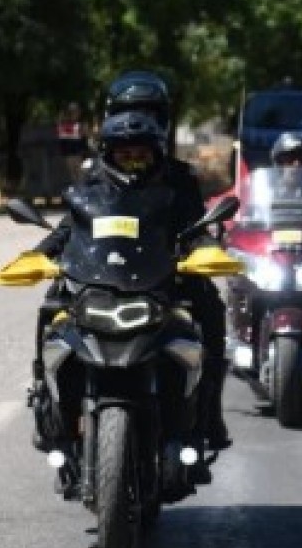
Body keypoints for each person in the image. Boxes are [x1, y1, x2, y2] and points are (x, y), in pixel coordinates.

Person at [31, 72, 231, 456]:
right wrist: (38, 255)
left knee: (210, 310)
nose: (136, 123)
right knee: (50, 308)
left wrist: (206, 249)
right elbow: (70, 226)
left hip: (164, 275)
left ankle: (208, 413)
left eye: (147, 113)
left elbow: (194, 225)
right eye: (126, 112)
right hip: (98, 275)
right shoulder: (93, 176)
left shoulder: (179, 177)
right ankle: (51, 411)